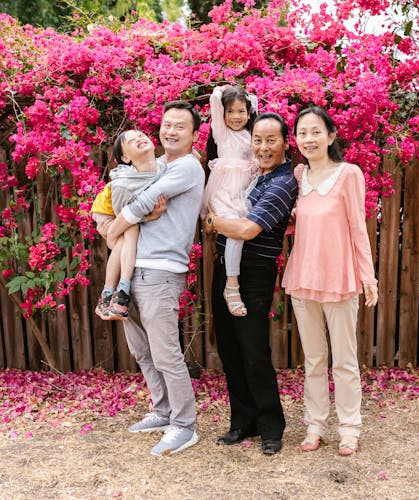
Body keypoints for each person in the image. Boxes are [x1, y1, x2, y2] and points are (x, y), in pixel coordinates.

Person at [105, 101, 204, 456]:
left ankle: (184, 425)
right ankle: (162, 411)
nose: (171, 131)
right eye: (166, 124)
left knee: (166, 354)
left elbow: (143, 200)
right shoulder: (156, 164)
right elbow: (118, 194)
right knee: (143, 351)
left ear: (194, 134)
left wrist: (114, 229)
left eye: (181, 126)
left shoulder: (188, 167)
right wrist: (111, 222)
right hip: (132, 270)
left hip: (161, 271)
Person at [282, 105, 379, 457]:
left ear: (331, 136)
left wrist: (368, 276)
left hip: (339, 278)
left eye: (315, 131)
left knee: (345, 360)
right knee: (314, 359)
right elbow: (297, 223)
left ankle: (349, 428)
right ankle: (315, 425)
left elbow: (358, 227)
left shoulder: (348, 174)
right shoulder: (296, 175)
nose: (308, 138)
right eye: (302, 132)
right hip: (303, 278)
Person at [204, 112, 298, 455]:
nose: (262, 147)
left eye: (271, 140)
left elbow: (246, 230)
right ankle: (243, 421)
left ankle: (272, 426)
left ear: (286, 143)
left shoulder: (282, 183)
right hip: (224, 268)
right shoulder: (252, 176)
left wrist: (214, 220)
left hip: (253, 273)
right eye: (257, 139)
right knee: (229, 348)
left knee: (254, 352)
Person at [92, 131, 164, 321]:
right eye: (131, 141)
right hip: (108, 214)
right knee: (130, 232)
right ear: (125, 157)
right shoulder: (124, 185)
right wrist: (149, 218)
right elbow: (123, 217)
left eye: (141, 135)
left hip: (125, 213)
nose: (139, 139)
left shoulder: (161, 167)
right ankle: (118, 290)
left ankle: (109, 296)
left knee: (129, 233)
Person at [202, 85, 259, 317]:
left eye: (242, 111)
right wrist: (224, 89)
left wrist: (251, 100)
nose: (236, 117)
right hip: (224, 190)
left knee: (243, 229)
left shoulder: (251, 135)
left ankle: (233, 280)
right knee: (236, 230)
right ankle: (231, 284)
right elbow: (215, 100)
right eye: (231, 112)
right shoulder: (222, 134)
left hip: (243, 191)